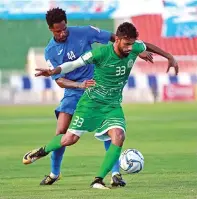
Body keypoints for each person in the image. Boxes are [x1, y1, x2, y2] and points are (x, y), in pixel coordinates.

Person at [23, 22, 179, 189]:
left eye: (132, 44)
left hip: (112, 105)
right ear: (117, 40)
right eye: (126, 44)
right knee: (69, 139)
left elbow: (145, 45)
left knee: (118, 135)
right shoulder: (100, 53)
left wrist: (169, 57)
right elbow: (74, 64)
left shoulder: (134, 47)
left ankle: (98, 179)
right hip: (91, 103)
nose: (129, 48)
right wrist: (53, 72)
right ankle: (43, 151)